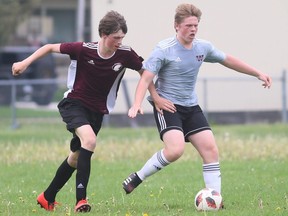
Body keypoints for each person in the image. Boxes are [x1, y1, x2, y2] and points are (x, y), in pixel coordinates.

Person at [122, 3, 272, 201]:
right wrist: (137, 103)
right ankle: (138, 177)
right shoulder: (163, 49)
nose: (193, 29)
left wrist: (257, 73)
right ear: (176, 26)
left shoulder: (203, 47)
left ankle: (215, 199)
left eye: (196, 25)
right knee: (175, 150)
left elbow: (227, 60)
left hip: (191, 106)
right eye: (188, 26)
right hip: (168, 106)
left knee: (211, 150)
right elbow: (146, 77)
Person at [12, 10, 143, 213]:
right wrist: (24, 63)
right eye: (116, 37)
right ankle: (80, 200)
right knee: (89, 141)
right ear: (103, 34)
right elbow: (48, 47)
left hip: (97, 111)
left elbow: (146, 72)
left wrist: (153, 98)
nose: (119, 41)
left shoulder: (125, 54)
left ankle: (47, 197)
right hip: (73, 104)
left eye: (122, 37)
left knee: (76, 157)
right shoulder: (83, 49)